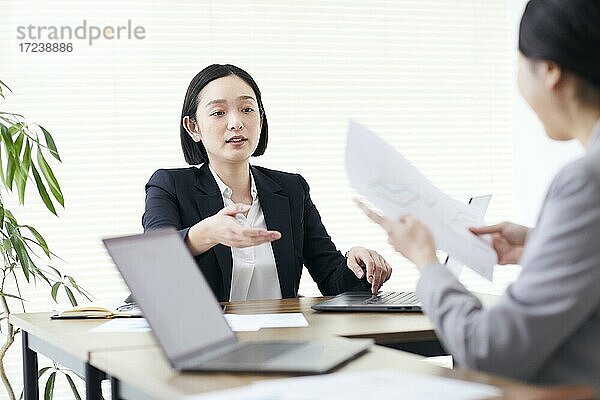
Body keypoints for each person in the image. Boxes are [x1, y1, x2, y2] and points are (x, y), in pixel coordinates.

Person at [358, 0, 600, 390]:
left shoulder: (585, 181)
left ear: (550, 71)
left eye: (519, 64)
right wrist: (540, 244)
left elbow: (489, 350)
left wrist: (425, 261)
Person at [142, 64, 392, 302]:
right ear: (193, 127)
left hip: (282, 336)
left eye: (247, 109)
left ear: (260, 118)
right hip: (206, 339)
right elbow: (153, 260)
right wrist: (207, 233)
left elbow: (332, 280)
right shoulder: (170, 185)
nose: (235, 123)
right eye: (218, 112)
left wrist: (357, 263)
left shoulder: (292, 189)